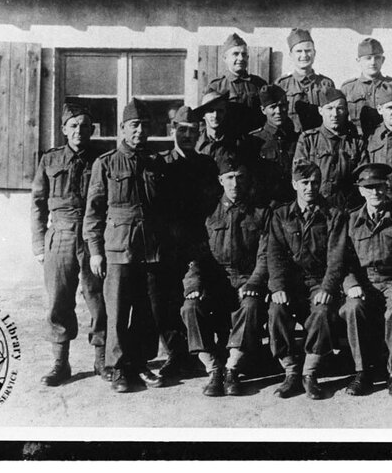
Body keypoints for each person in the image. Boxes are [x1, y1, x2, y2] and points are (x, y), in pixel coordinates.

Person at [83, 99, 191, 393]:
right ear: (122, 129)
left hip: (152, 248)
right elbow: (93, 212)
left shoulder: (157, 163)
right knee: (117, 310)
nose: (140, 131)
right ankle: (117, 368)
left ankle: (140, 362)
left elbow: (167, 210)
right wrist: (95, 251)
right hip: (118, 247)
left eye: (144, 126)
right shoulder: (105, 163)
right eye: (134, 126)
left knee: (147, 310)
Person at [181, 157, 272, 397]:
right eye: (230, 178)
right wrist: (194, 283)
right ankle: (213, 369)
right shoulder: (207, 213)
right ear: (221, 181)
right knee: (190, 307)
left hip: (246, 279)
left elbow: (265, 255)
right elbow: (196, 256)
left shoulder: (261, 213)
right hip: (215, 281)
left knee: (252, 305)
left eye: (240, 177)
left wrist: (254, 282)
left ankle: (232, 368)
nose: (235, 183)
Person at [30, 103, 107, 386]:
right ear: (64, 130)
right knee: (58, 300)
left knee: (97, 298)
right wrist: (39, 244)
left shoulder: (101, 159)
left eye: (85, 126)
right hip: (60, 234)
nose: (79, 131)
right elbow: (38, 203)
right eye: (73, 126)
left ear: (92, 130)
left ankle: (101, 360)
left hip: (92, 236)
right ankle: (60, 364)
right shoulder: (50, 160)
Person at [331, 163, 392, 398]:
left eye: (379, 187)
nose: (375, 192)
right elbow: (343, 260)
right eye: (369, 188)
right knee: (353, 308)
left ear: (386, 187)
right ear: (361, 191)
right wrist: (351, 285)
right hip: (364, 283)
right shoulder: (350, 221)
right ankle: (362, 372)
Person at [265, 160, 346, 399]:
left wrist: (329, 287)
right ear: (294, 184)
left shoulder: (333, 214)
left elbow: (337, 256)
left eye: (314, 183)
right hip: (290, 283)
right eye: (304, 183)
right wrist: (278, 286)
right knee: (276, 310)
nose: (310, 188)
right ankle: (291, 371)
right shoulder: (281, 215)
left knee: (322, 311)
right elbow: (275, 254)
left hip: (319, 282)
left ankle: (309, 373)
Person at [159, 105, 223, 380]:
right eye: (182, 130)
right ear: (173, 130)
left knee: (200, 297)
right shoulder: (160, 163)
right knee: (167, 299)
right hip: (168, 243)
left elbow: (214, 205)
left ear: (199, 134)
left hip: (198, 241)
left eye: (193, 131)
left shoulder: (206, 165)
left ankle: (206, 352)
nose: (187, 135)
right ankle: (176, 355)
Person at [294, 87, 367, 210]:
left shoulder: (356, 142)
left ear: (346, 111)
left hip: (348, 208)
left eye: (340, 108)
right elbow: (299, 176)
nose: (335, 114)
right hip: (317, 207)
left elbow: (363, 176)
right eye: (329, 108)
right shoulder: (308, 140)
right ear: (320, 110)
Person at [340, 37, 392, 138]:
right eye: (368, 58)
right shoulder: (348, 88)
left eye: (377, 58)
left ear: (383, 60)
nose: (373, 62)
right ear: (358, 60)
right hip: (358, 142)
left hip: (387, 142)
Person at [276, 28, 336, 133]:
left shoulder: (326, 83)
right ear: (291, 55)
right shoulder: (282, 84)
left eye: (308, 50)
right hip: (291, 143)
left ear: (314, 53)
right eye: (299, 51)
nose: (304, 55)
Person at [247, 84, 299, 207]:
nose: (278, 111)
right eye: (273, 107)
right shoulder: (253, 140)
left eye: (282, 106)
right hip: (265, 207)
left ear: (287, 106)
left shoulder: (297, 139)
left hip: (293, 205)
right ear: (263, 110)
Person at [206, 32, 267, 134]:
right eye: (235, 54)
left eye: (244, 54)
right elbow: (206, 120)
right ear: (225, 58)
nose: (241, 58)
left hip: (254, 142)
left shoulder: (259, 84)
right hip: (227, 143)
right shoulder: (216, 87)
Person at [192, 90, 257, 164]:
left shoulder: (238, 143)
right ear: (203, 114)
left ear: (225, 113)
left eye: (220, 111)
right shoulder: (195, 143)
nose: (215, 115)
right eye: (211, 110)